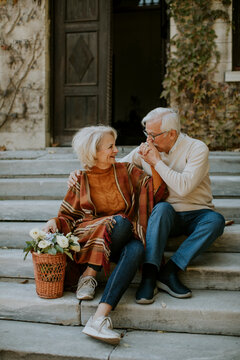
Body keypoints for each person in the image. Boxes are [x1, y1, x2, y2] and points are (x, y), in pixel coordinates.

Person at [68, 108, 226, 305]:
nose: (148, 140)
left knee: (216, 221)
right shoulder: (146, 149)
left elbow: (183, 187)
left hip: (197, 212)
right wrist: (81, 173)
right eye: (147, 134)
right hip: (164, 217)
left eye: (153, 135)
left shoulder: (197, 149)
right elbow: (109, 169)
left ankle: (170, 271)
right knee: (162, 209)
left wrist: (156, 163)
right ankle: (149, 276)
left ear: (172, 134)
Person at [43, 125, 168, 345]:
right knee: (122, 226)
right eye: (110, 147)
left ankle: (98, 316)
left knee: (134, 242)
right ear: (94, 152)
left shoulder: (126, 171)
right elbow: (68, 218)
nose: (116, 150)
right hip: (90, 242)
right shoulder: (80, 179)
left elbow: (156, 192)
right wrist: (54, 221)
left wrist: (153, 164)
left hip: (118, 240)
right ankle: (90, 273)